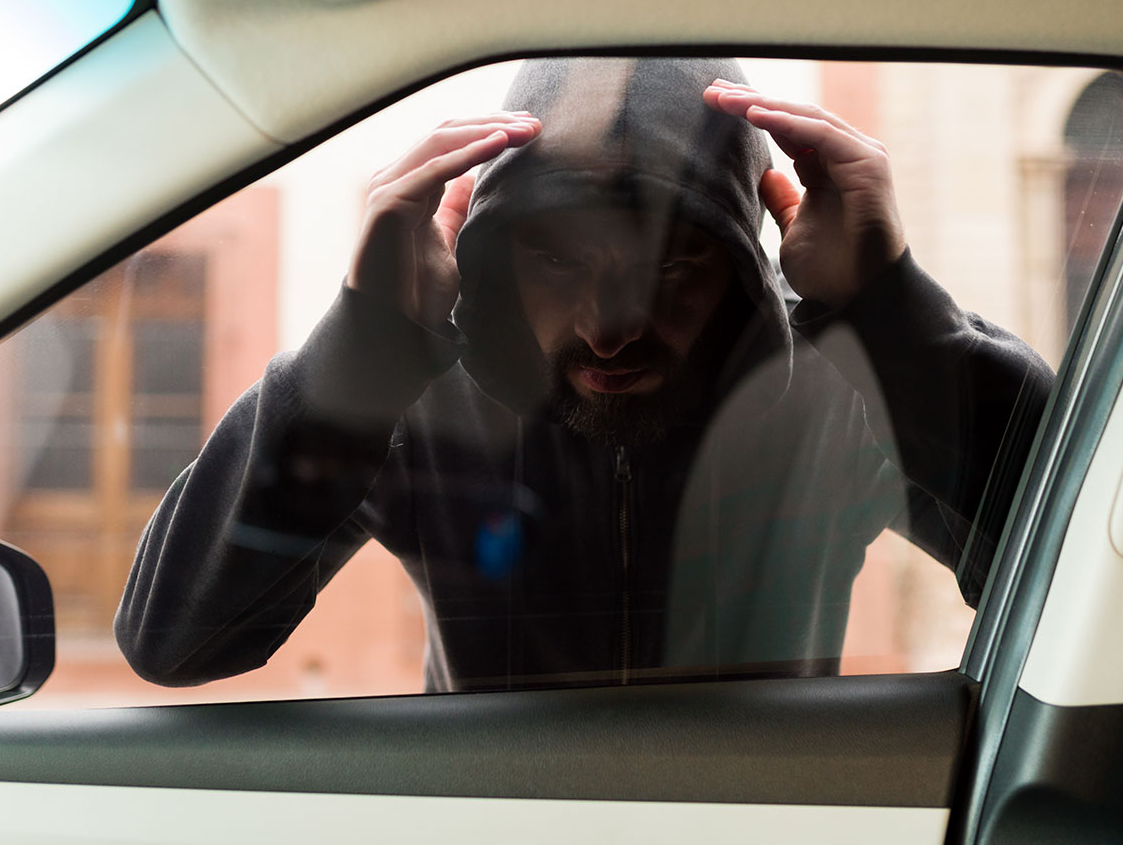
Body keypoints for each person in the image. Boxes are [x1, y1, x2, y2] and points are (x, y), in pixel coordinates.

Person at [116, 58, 1053, 691]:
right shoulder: (415, 404)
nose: (610, 330)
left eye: (674, 264)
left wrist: (889, 313)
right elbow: (180, 643)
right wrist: (365, 346)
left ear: (741, 257)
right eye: (556, 261)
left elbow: (1063, 568)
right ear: (489, 257)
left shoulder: (835, 394)